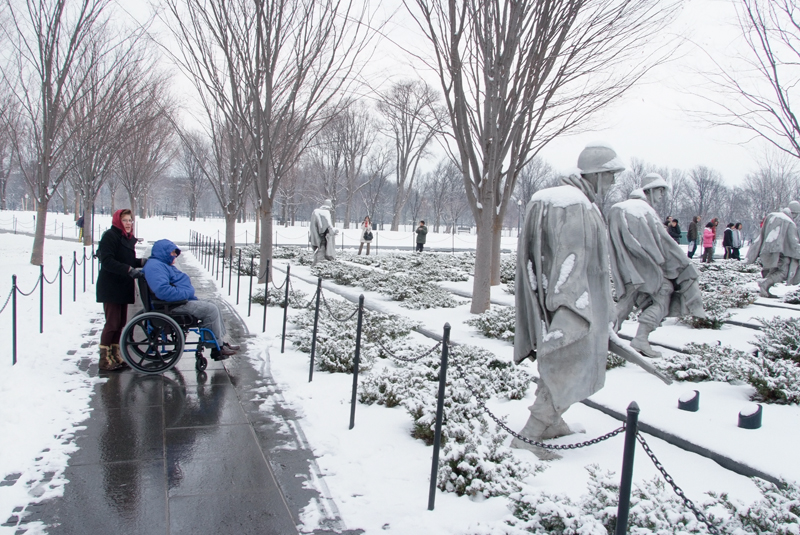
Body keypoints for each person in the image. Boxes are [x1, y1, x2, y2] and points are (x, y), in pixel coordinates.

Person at [513, 142, 623, 459]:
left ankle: (552, 422)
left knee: (563, 362)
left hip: (570, 301)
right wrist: (569, 309)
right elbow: (569, 260)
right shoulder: (574, 205)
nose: (613, 182)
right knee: (570, 363)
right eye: (610, 175)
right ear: (598, 175)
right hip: (577, 305)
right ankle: (531, 434)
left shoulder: (559, 200)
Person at [608, 173, 705, 359]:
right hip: (648, 270)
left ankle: (606, 335)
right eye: (660, 190)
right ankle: (641, 338)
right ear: (650, 190)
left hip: (627, 268)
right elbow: (663, 243)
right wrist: (682, 265)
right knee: (663, 295)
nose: (661, 195)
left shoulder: (618, 208)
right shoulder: (643, 210)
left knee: (626, 302)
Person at [142, 239, 240, 360]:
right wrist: (186, 293)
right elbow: (163, 291)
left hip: (176, 302)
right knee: (210, 309)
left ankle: (220, 342)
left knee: (212, 303)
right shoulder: (156, 267)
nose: (174, 256)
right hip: (172, 305)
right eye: (172, 253)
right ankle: (216, 348)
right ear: (164, 252)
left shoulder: (161, 264)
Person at [96, 209, 146, 371]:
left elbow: (129, 260)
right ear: (118, 221)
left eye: (130, 220)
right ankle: (104, 359)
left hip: (123, 285)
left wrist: (143, 262)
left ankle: (115, 354)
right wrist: (128, 270)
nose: (129, 223)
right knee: (112, 323)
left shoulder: (127, 239)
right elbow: (107, 261)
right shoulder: (110, 236)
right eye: (125, 220)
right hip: (111, 286)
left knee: (121, 323)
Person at [745, 203, 800, 297]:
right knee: (783, 272)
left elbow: (762, 234)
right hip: (781, 252)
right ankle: (764, 284)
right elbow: (793, 242)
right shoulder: (789, 223)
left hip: (767, 249)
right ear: (794, 212)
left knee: (773, 270)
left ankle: (765, 288)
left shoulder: (772, 216)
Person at [309, 199, 338, 265]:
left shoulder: (316, 212)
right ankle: (318, 265)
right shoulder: (325, 213)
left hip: (315, 235)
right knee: (321, 251)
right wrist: (334, 231)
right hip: (322, 236)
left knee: (318, 250)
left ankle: (315, 264)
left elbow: (313, 226)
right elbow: (328, 226)